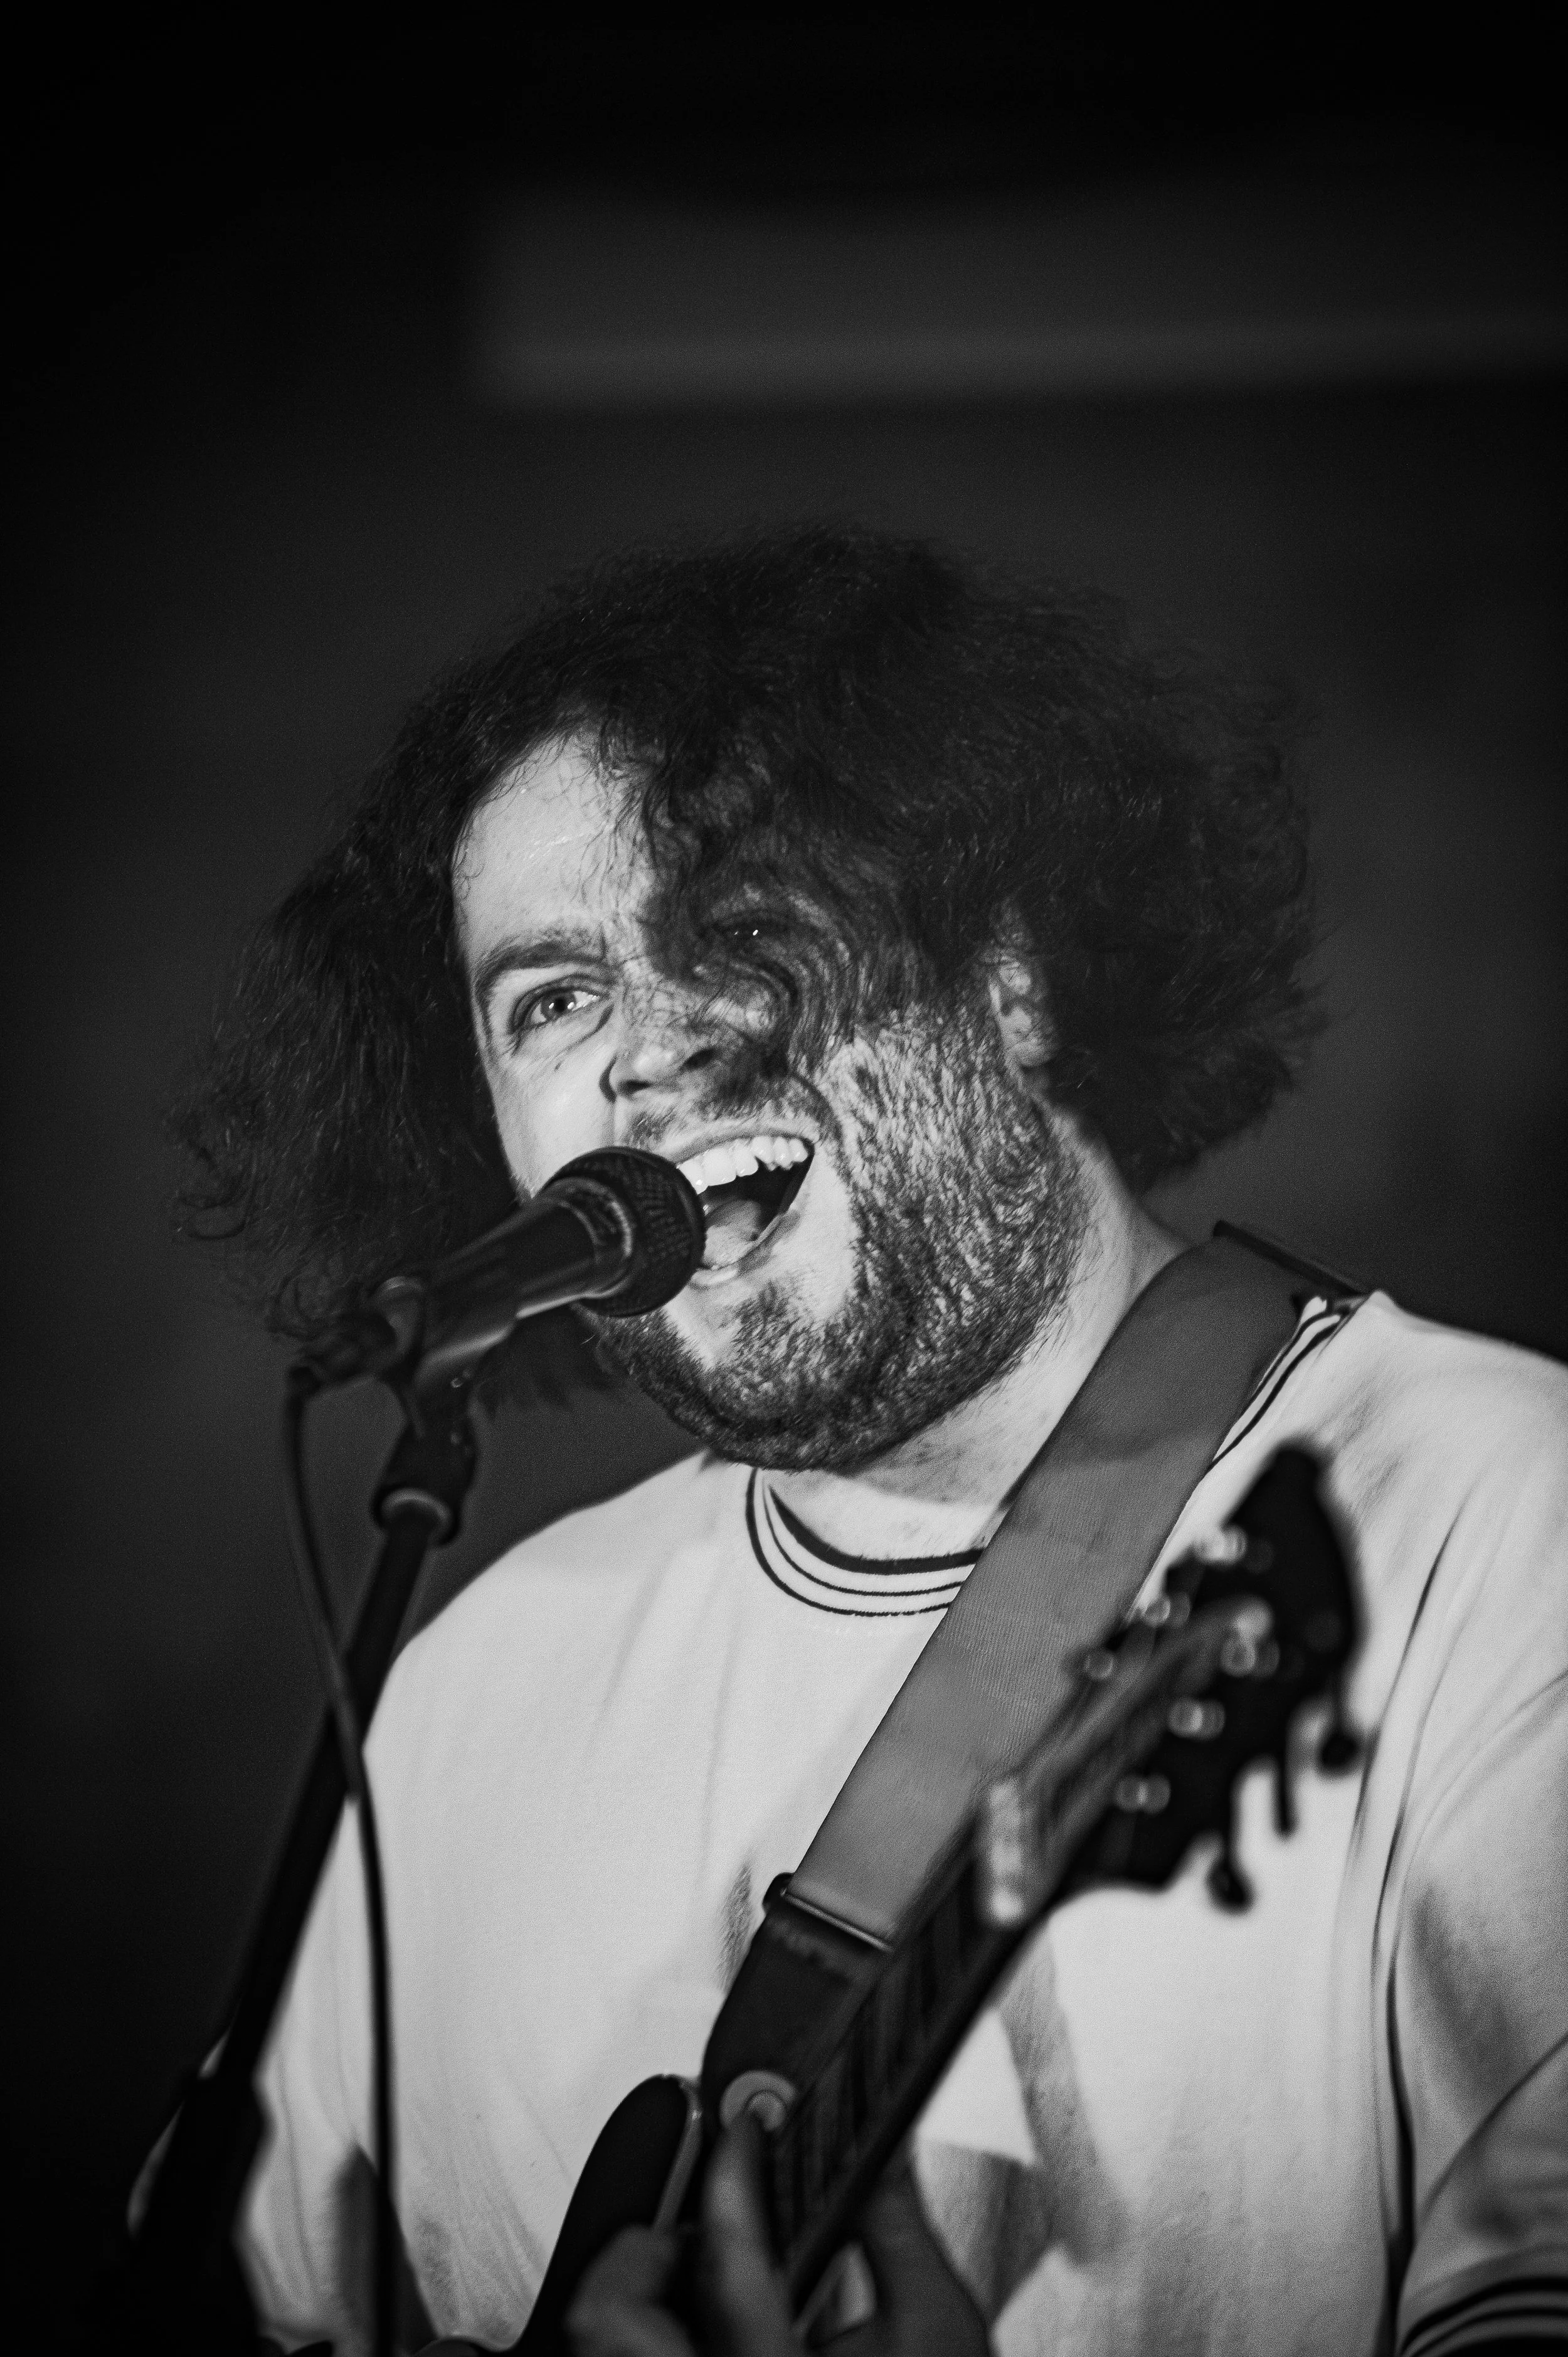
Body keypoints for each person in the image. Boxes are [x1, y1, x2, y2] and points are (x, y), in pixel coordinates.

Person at [177, 528, 1568, 2356]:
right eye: (551, 996)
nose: (643, 1056)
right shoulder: (460, 1692)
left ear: (1011, 971)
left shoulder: (1498, 1522)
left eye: (741, 926)